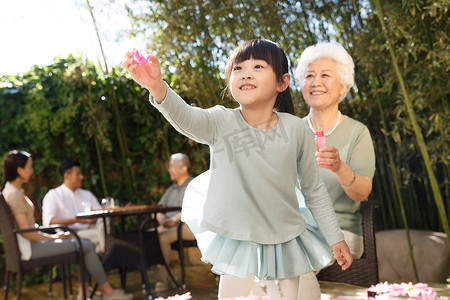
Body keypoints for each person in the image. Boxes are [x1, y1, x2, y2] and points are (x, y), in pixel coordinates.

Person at [123, 39, 353, 299]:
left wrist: (335, 237)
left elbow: (313, 188)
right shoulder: (222, 121)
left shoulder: (296, 128)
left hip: (286, 233)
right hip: (239, 236)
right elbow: (187, 117)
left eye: (258, 66)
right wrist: (157, 87)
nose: (246, 73)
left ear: (282, 82)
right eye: (238, 68)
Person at [292, 42, 376, 299]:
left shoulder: (357, 132)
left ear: (343, 86)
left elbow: (362, 193)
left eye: (325, 75)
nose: (316, 81)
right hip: (291, 230)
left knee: (293, 264)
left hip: (340, 231)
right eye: (309, 75)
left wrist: (340, 167)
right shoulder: (288, 130)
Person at [1, 150, 133, 300]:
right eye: (29, 167)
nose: (32, 171)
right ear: (19, 170)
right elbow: (27, 232)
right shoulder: (14, 194)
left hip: (31, 245)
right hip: (31, 248)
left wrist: (53, 236)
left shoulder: (12, 191)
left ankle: (85, 293)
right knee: (86, 245)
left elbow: (27, 229)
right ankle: (109, 292)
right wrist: (55, 237)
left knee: (83, 245)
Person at [42, 159, 105, 253]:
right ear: (66, 176)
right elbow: (49, 221)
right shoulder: (54, 195)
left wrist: (93, 219)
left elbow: (101, 212)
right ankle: (105, 251)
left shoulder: (86, 194)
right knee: (108, 237)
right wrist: (78, 220)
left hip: (94, 229)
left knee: (105, 220)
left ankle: (103, 251)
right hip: (71, 234)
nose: (82, 177)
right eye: (78, 174)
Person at [154, 153, 195, 290]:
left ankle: (163, 281)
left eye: (171, 167)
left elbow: (194, 208)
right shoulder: (170, 190)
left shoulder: (194, 185)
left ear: (183, 168)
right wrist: (162, 219)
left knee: (162, 237)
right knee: (149, 235)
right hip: (170, 227)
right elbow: (158, 209)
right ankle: (167, 276)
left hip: (189, 226)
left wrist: (172, 220)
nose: (169, 170)